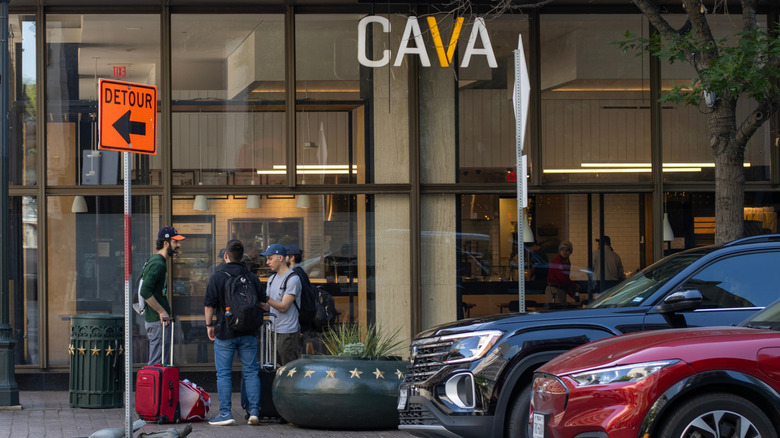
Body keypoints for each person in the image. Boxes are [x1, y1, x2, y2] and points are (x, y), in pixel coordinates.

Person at [203, 239, 268, 426]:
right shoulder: (251, 276)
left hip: (225, 331)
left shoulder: (217, 277)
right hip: (249, 332)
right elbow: (263, 303)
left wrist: (209, 325)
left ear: (226, 255)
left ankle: (225, 414)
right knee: (251, 372)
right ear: (242, 256)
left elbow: (209, 305)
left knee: (224, 373)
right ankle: (254, 412)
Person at [140, 226, 185, 366]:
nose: (178, 245)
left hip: (157, 321)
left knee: (160, 363)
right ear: (166, 243)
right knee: (157, 364)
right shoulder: (158, 264)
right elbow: (145, 291)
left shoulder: (156, 261)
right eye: (175, 242)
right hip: (157, 321)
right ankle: (154, 382)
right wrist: (162, 312)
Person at [259, 243, 301, 366]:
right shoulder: (271, 279)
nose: (267, 262)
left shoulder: (293, 279)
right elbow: (269, 307)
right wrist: (257, 301)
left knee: (289, 368)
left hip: (287, 331)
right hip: (272, 330)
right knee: (276, 367)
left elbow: (283, 307)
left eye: (270, 258)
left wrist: (265, 298)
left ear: (280, 258)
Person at [545, 240, 582, 306]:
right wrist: (574, 285)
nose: (564, 252)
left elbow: (565, 279)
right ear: (559, 250)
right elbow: (562, 278)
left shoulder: (566, 262)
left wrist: (571, 294)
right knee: (557, 309)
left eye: (567, 250)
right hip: (554, 290)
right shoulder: (557, 261)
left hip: (560, 289)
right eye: (562, 250)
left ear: (570, 252)